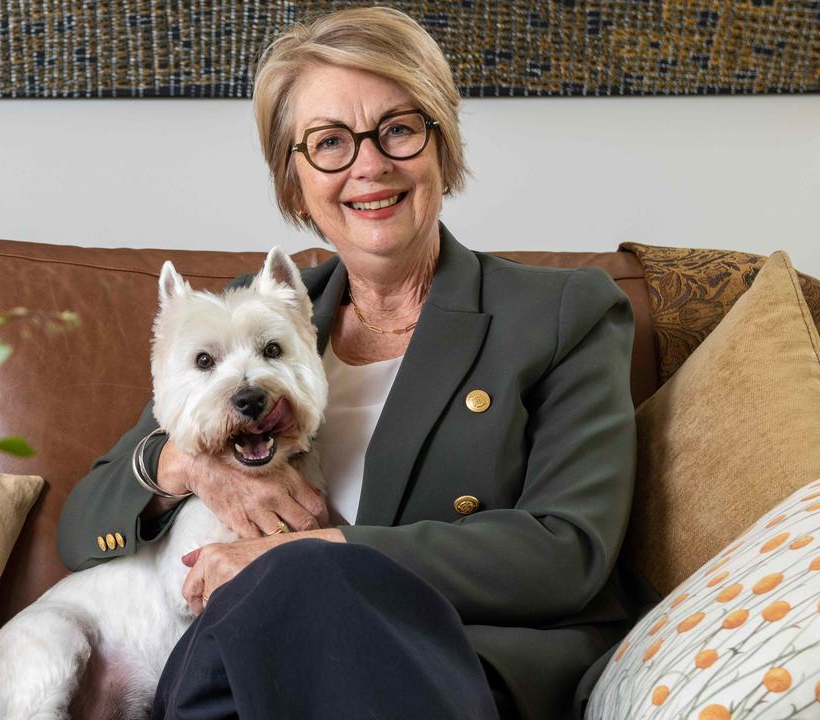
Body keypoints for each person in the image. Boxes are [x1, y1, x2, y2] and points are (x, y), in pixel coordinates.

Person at [57, 7, 641, 720]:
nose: (369, 164)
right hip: (242, 663)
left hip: (443, 659)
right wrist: (188, 464)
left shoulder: (559, 312)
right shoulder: (254, 326)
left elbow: (567, 549)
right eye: (330, 142)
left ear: (441, 142)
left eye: (397, 128)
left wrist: (313, 555)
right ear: (294, 177)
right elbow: (84, 524)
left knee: (291, 595)